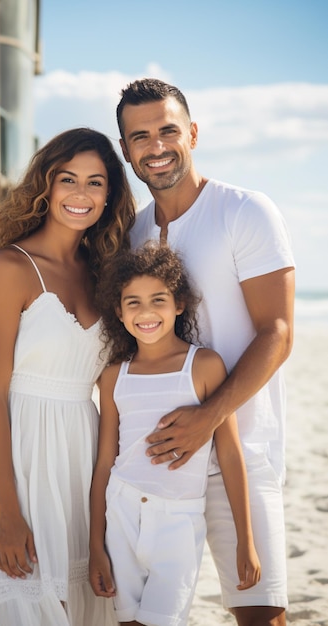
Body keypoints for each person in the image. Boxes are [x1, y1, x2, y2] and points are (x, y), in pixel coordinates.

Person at [0, 127, 135, 626]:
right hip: (8, 463)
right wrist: (8, 513)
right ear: (46, 184)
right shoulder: (11, 266)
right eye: (68, 179)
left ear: (110, 195)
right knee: (8, 605)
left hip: (75, 467)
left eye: (96, 183)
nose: (81, 194)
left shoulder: (105, 271)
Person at [115, 79, 295, 626]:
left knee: (261, 612)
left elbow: (279, 332)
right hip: (157, 464)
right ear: (126, 151)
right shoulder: (134, 234)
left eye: (168, 129)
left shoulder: (245, 211)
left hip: (243, 451)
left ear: (192, 133)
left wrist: (209, 417)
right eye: (140, 136)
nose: (157, 145)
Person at [89, 243, 261, 626]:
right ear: (118, 311)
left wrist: (245, 541)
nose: (146, 312)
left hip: (179, 521)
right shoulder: (114, 375)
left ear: (179, 304)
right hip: (121, 513)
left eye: (158, 300)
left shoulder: (203, 365)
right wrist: (95, 546)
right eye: (132, 302)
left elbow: (230, 454)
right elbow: (105, 461)